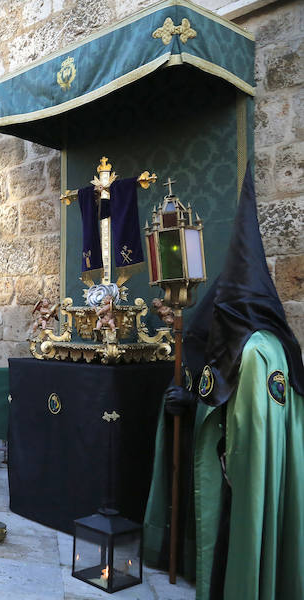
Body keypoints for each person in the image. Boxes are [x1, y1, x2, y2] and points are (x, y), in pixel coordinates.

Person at [144, 170, 304, 600]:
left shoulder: (256, 352)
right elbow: (207, 391)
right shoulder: (264, 345)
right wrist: (180, 402)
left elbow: (236, 432)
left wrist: (195, 408)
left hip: (239, 486)